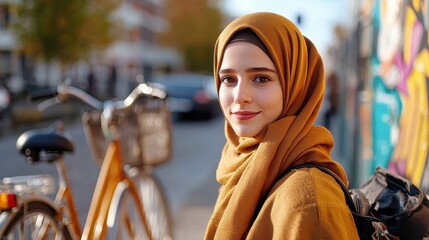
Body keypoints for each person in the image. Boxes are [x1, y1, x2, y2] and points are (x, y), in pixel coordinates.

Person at [204, 12, 358, 239]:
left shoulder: (307, 201)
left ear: (296, 84)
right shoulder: (240, 161)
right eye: (229, 79)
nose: (239, 96)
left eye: (261, 78)